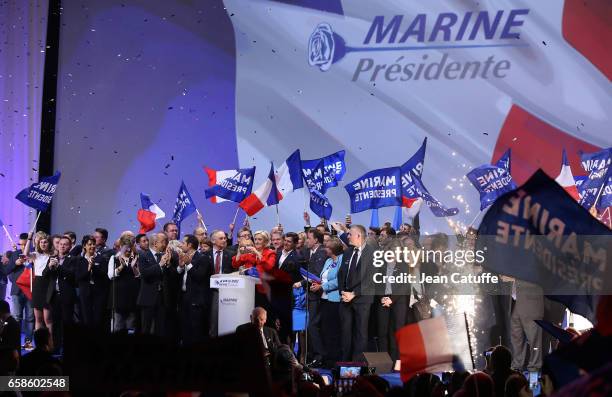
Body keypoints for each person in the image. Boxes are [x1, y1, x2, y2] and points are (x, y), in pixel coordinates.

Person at [337, 224, 375, 361]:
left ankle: (357, 365)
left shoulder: (372, 253)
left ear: (358, 236)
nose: (347, 237)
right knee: (345, 332)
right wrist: (343, 292)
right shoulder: (347, 252)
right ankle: (344, 363)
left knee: (361, 333)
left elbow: (371, 278)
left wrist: (354, 294)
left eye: (349, 234)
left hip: (362, 299)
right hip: (345, 299)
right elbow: (341, 274)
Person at [137, 232, 180, 339]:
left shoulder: (165, 256)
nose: (166, 244)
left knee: (161, 328)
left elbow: (172, 277)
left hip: (163, 298)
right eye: (164, 241)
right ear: (156, 243)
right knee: (146, 327)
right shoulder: (143, 255)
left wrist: (169, 264)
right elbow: (145, 274)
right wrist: (160, 264)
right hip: (148, 297)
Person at [376, 237, 410, 361]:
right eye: (394, 250)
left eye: (399, 250)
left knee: (397, 331)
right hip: (383, 300)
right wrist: (382, 298)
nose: (397, 253)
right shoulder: (380, 264)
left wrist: (392, 299)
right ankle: (383, 361)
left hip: (398, 300)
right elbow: (376, 283)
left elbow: (405, 285)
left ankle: (396, 360)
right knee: (382, 331)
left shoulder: (404, 265)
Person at [310, 236, 342, 366]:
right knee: (323, 329)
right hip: (322, 298)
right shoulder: (328, 261)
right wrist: (315, 283)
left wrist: (322, 287)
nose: (324, 250)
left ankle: (333, 359)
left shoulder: (341, 260)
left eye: (327, 247)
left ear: (333, 249)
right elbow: (322, 277)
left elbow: (339, 280)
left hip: (334, 300)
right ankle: (325, 357)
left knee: (332, 331)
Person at [297, 228, 327, 366]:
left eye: (308, 238)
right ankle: (311, 354)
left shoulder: (321, 253)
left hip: (316, 295)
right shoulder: (310, 251)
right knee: (308, 326)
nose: (306, 241)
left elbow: (316, 274)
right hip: (309, 294)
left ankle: (320, 355)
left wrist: (302, 282)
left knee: (313, 325)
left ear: (316, 240)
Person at [43, 235, 76, 352]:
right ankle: (56, 347)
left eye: (65, 244)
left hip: (66, 296)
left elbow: (72, 275)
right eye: (60, 244)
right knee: (55, 323)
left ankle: (68, 348)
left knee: (67, 323)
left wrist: (59, 267)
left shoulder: (73, 259)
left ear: (70, 246)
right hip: (54, 295)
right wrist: (49, 267)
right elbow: (45, 274)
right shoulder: (52, 258)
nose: (62, 246)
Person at [177, 234, 211, 345]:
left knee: (195, 328)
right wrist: (181, 266)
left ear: (190, 245)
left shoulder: (203, 258)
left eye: (183, 243)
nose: (181, 245)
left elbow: (199, 277)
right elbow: (178, 275)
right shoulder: (183, 256)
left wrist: (188, 264)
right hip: (184, 297)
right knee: (184, 326)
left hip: (196, 299)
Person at [4, 233, 34, 350]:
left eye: (24, 244)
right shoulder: (15, 254)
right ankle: (14, 341)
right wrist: (15, 264)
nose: (22, 247)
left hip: (30, 290)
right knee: (16, 317)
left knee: (30, 317)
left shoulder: (33, 255)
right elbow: (6, 271)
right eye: (21, 245)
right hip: (17, 290)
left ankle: (28, 341)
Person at [23, 232, 55, 338]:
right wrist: (29, 238)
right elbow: (25, 253)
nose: (43, 244)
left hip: (47, 286)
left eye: (45, 242)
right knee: (38, 319)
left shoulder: (53, 256)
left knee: (48, 319)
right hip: (37, 286)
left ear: (49, 243)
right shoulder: (36, 255)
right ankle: (39, 344)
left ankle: (49, 344)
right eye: (41, 242)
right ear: (38, 244)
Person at [107, 234, 140, 332]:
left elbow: (139, 276)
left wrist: (134, 267)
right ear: (121, 247)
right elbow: (110, 275)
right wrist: (121, 267)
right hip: (118, 297)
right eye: (126, 248)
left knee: (131, 324)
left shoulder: (136, 258)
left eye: (130, 248)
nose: (128, 250)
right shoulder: (114, 258)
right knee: (118, 324)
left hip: (132, 296)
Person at [205, 230, 233, 337]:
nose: (224, 240)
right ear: (213, 241)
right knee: (212, 322)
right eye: (221, 238)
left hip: (227, 292)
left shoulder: (231, 255)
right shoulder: (204, 255)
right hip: (209, 292)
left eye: (225, 238)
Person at [74, 235, 101, 328]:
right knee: (86, 319)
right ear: (84, 246)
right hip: (85, 292)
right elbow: (78, 278)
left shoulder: (101, 258)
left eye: (94, 244)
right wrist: (89, 268)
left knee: (97, 319)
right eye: (89, 244)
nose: (92, 246)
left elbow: (103, 276)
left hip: (98, 292)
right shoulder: (79, 260)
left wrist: (94, 266)